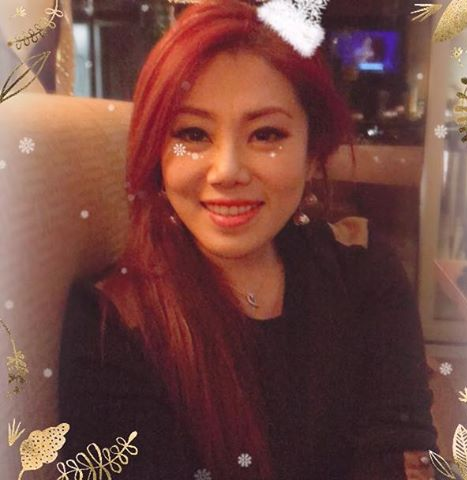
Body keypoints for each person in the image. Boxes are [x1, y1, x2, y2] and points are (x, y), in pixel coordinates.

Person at [58, 0, 440, 479]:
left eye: (266, 134)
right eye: (193, 133)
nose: (227, 172)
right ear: (156, 154)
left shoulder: (365, 277)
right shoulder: (112, 324)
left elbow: (402, 455)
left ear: (311, 151)